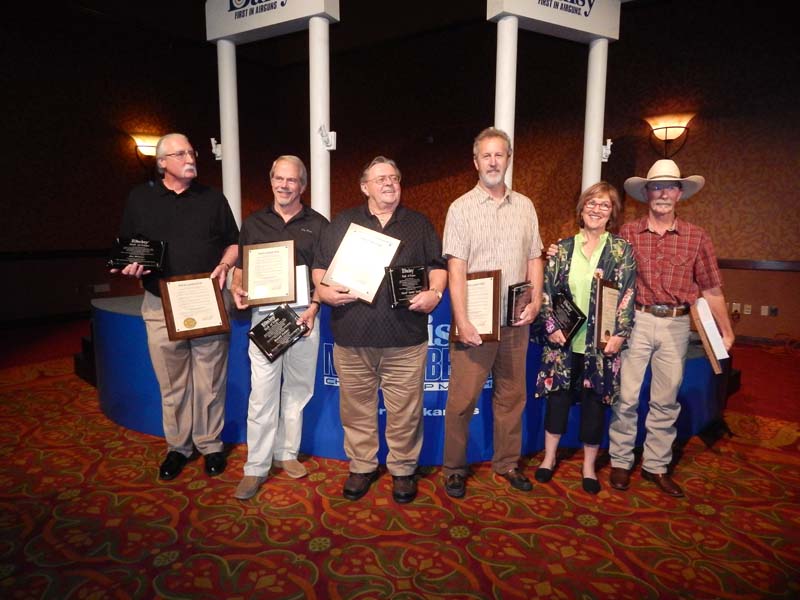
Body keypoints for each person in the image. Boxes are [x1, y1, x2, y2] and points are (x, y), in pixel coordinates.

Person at [312, 156, 447, 504]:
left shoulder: (418, 224)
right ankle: (362, 465)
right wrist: (323, 289)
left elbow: (437, 266)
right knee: (356, 409)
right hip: (352, 335)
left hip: (405, 338)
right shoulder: (344, 222)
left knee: (405, 411)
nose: (389, 184)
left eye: (395, 178)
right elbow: (320, 267)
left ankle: (403, 469)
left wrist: (435, 293)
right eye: (381, 179)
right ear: (364, 186)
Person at [113, 133, 239, 480]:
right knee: (173, 384)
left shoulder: (213, 198)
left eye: (191, 151)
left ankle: (210, 444)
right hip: (159, 304)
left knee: (211, 382)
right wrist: (131, 266)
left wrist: (226, 265)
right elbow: (130, 249)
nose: (190, 157)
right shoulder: (140, 198)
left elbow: (233, 242)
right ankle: (179, 448)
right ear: (162, 162)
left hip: (207, 302)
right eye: (180, 153)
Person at [609, 159, 735, 497]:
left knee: (666, 399)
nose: (663, 193)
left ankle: (656, 465)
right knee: (628, 395)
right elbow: (613, 282)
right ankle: (621, 460)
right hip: (636, 320)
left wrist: (726, 331)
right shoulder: (629, 233)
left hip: (678, 324)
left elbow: (711, 289)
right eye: (656, 186)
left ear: (680, 193)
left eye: (670, 187)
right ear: (646, 192)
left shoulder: (697, 237)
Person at [441, 127, 544, 499]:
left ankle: (507, 464)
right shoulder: (460, 208)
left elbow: (535, 257)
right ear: (475, 162)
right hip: (477, 321)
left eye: (499, 155)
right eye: (486, 155)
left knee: (511, 396)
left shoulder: (526, 206)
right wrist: (462, 319)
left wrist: (537, 299)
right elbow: (456, 267)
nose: (493, 161)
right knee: (462, 399)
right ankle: (454, 468)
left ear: (509, 158)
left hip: (517, 319)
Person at [230, 155, 328, 500]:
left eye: (292, 180)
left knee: (299, 389)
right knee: (262, 394)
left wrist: (315, 307)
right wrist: (236, 287)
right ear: (271, 180)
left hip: (303, 316)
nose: (285, 185)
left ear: (302, 185)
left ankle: (287, 452)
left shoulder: (318, 224)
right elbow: (241, 268)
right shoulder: (253, 223)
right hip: (265, 316)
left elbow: (323, 273)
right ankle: (255, 466)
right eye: (279, 179)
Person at [534, 182, 636, 495]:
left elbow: (627, 293)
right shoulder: (562, 249)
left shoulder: (621, 251)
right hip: (563, 343)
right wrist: (550, 324)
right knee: (558, 400)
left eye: (604, 205)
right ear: (582, 209)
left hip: (600, 345)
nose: (596, 209)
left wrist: (620, 333)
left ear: (612, 213)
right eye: (591, 203)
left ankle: (588, 466)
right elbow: (547, 292)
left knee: (595, 404)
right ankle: (549, 458)